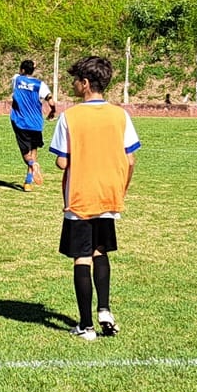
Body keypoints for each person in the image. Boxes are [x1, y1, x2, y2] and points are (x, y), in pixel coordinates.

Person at [48, 55, 140, 340]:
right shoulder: (120, 115)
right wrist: (120, 189)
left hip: (80, 196)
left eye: (75, 81)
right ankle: (105, 309)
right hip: (109, 195)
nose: (73, 85)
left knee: (81, 257)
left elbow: (63, 163)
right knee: (101, 251)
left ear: (85, 84)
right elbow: (131, 159)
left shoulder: (70, 117)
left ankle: (85, 326)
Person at [9, 58, 52, 190]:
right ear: (33, 70)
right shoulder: (41, 85)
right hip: (36, 123)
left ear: (22, 70)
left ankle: (33, 165)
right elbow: (52, 101)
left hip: (20, 122)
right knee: (34, 150)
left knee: (26, 153)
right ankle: (28, 182)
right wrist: (52, 112)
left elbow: (20, 76)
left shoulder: (16, 79)